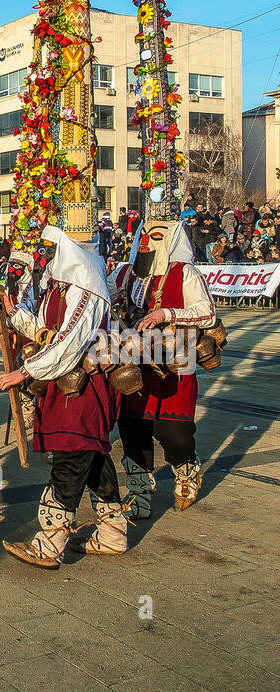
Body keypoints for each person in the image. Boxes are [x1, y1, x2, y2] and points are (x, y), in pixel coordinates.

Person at [0, 227, 127, 567]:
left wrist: (27, 370)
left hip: (80, 390)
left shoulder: (85, 288)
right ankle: (113, 533)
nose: (46, 256)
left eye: (51, 250)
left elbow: (70, 341)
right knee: (90, 457)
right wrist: (15, 314)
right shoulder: (58, 287)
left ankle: (49, 543)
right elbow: (44, 330)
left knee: (70, 458)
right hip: (62, 385)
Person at [111, 218, 216, 514]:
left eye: (154, 236)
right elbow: (102, 297)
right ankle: (139, 495)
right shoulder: (127, 273)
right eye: (142, 235)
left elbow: (206, 312)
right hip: (135, 360)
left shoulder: (185, 273)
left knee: (174, 434)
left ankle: (186, 468)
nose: (146, 242)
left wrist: (165, 314)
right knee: (133, 429)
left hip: (176, 361)